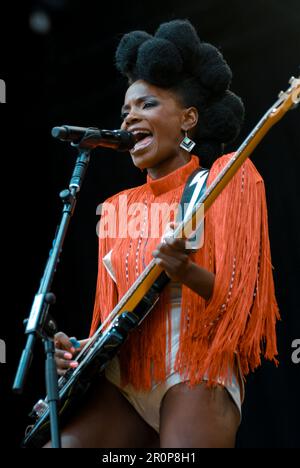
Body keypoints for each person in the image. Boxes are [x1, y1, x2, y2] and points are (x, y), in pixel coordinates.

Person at [49, 19, 279, 448]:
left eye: (147, 105)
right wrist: (78, 349)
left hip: (194, 364)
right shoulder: (116, 207)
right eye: (125, 110)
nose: (130, 116)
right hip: (124, 377)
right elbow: (121, 314)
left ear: (188, 119)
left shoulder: (227, 179)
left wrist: (185, 270)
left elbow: (245, 303)